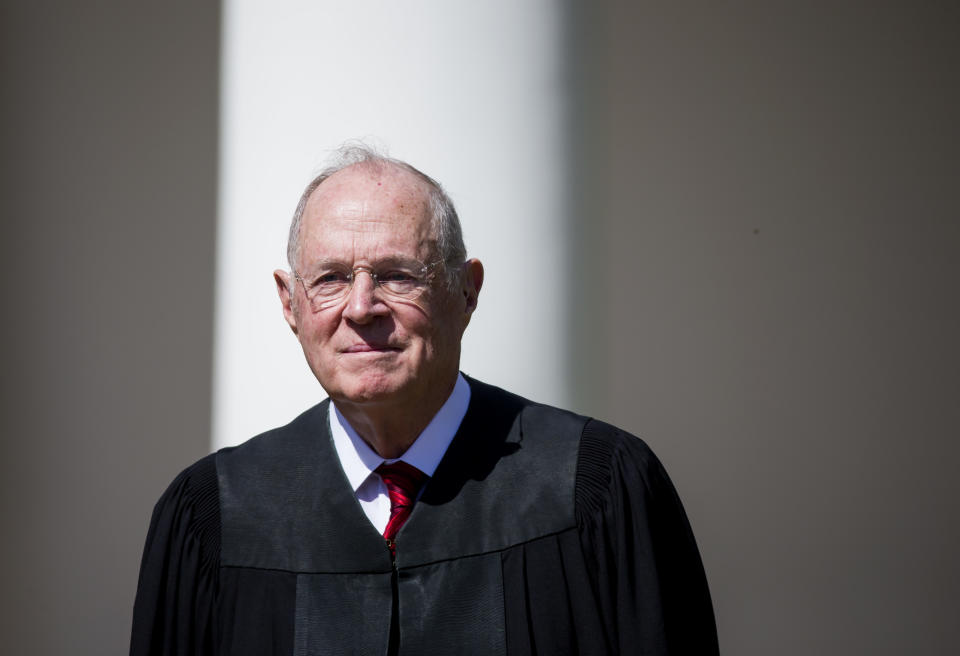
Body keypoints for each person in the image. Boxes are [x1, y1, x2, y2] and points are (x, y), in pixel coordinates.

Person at [130, 145, 719, 655]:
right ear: (290, 304)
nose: (361, 308)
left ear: (466, 291)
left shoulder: (594, 490)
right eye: (331, 278)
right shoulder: (214, 517)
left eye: (397, 275)